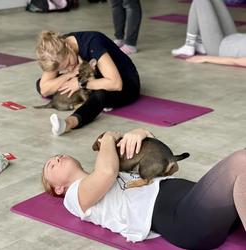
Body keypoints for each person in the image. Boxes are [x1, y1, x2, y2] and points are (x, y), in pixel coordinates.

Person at [42, 127, 246, 249]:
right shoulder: (74, 198)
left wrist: (142, 133)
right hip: (183, 219)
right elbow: (106, 172)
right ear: (58, 189)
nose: (57, 158)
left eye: (58, 156)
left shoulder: (113, 165)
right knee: (241, 161)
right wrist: (108, 138)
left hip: (203, 204)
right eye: (51, 165)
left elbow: (169, 165)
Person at [35, 31, 140, 136]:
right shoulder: (55, 51)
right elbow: (44, 89)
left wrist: (80, 84)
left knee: (99, 94)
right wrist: (69, 75)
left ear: (68, 47)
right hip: (89, 77)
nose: (69, 68)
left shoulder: (92, 43)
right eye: (64, 69)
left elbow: (116, 84)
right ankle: (81, 99)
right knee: (40, 83)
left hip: (125, 83)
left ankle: (67, 124)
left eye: (69, 64)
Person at [171, 0, 246, 67]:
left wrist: (205, 58)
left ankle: (189, 45)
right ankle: (199, 44)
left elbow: (235, 61)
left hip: (219, 47)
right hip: (233, 35)